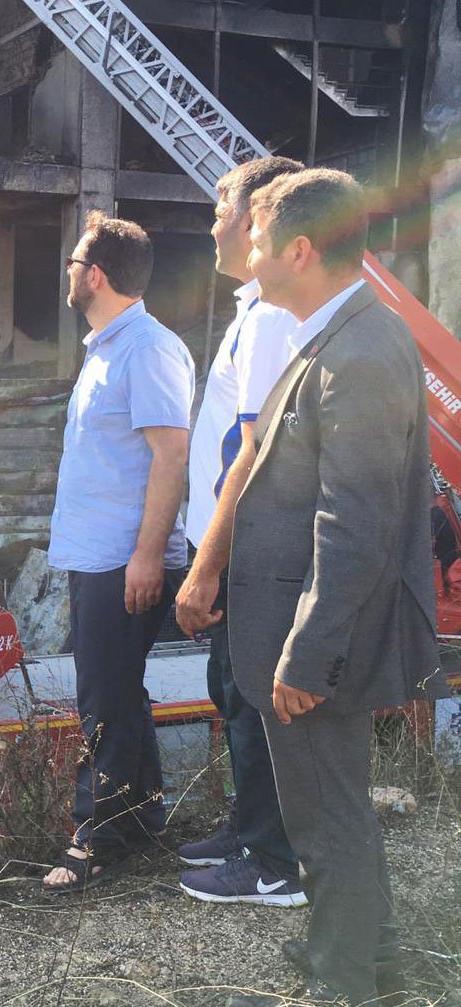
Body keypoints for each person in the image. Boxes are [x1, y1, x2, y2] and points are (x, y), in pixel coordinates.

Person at [225, 169, 447, 1006]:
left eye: (257, 239)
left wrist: (307, 654)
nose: (247, 251)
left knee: (328, 817)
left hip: (316, 639)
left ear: (301, 249)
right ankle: (370, 960)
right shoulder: (338, 336)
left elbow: (350, 525)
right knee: (331, 806)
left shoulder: (357, 349)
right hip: (306, 630)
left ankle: (341, 984)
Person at [42, 212, 195, 894]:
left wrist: (146, 555)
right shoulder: (106, 346)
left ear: (95, 274)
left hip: (121, 558)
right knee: (119, 692)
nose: (69, 273)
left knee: (101, 698)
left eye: (75, 262)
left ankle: (94, 840)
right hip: (98, 553)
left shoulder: (147, 349)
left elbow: (172, 455)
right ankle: (141, 821)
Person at [173, 156, 310, 908]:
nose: (214, 223)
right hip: (225, 542)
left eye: (222, 208)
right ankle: (249, 827)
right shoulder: (251, 312)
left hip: (241, 547)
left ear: (257, 215)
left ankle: (272, 862)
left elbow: (249, 454)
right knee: (231, 692)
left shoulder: (265, 324)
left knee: (252, 695)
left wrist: (207, 565)